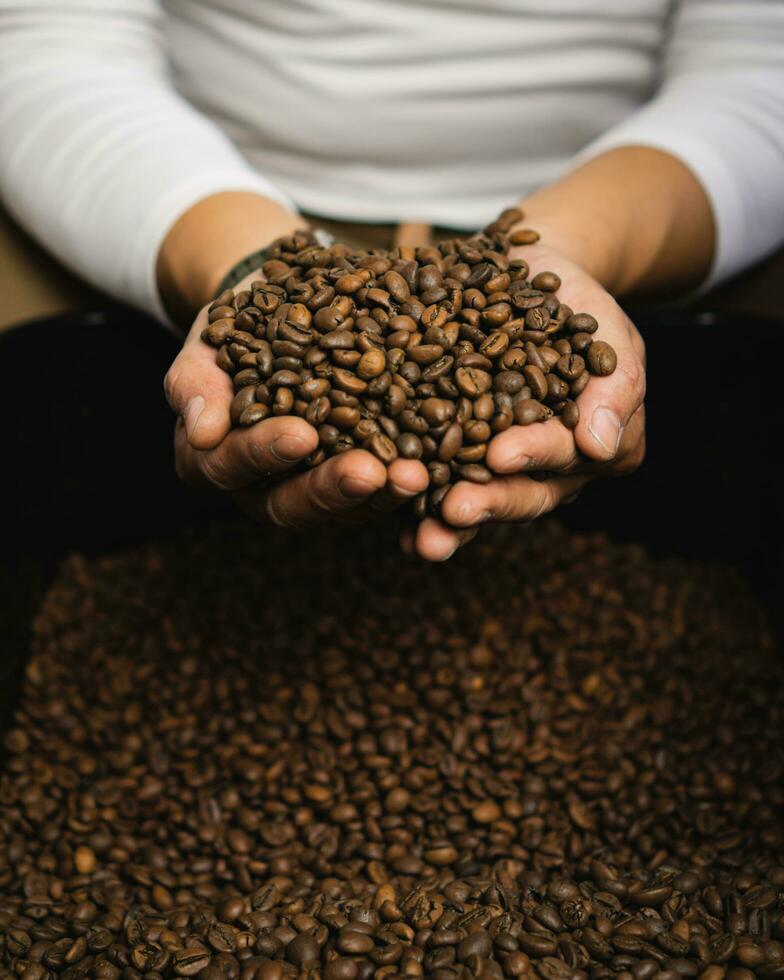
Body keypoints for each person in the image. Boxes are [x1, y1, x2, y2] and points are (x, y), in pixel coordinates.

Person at [1, 1, 783, 562]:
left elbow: (762, 63)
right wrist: (240, 254)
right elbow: (44, 40)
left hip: (647, 197)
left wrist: (572, 240)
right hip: (179, 182)